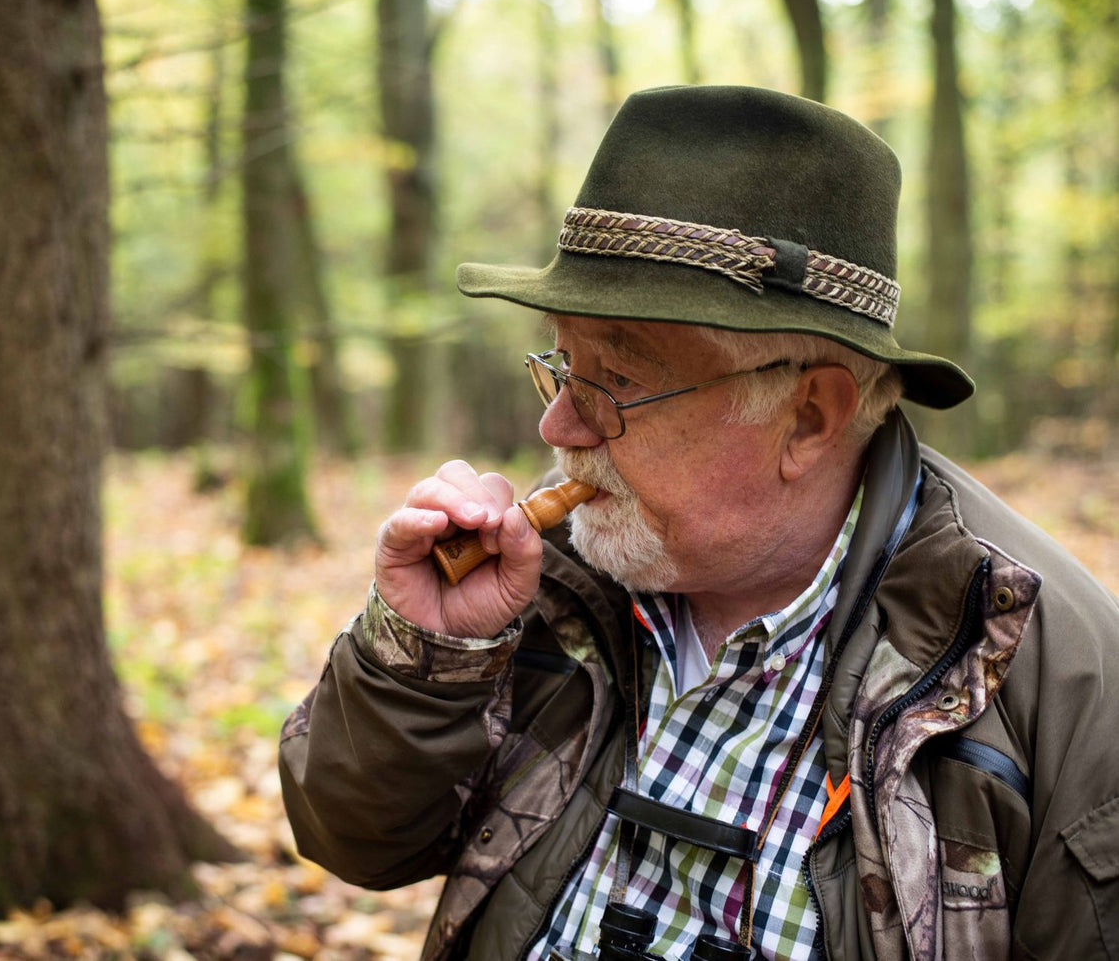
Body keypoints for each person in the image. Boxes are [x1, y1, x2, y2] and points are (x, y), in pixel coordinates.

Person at [278, 85, 1119, 961]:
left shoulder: (1058, 678)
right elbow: (354, 841)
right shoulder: (543, 569)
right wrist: (427, 654)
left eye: (617, 380)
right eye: (562, 365)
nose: (555, 427)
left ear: (808, 417)